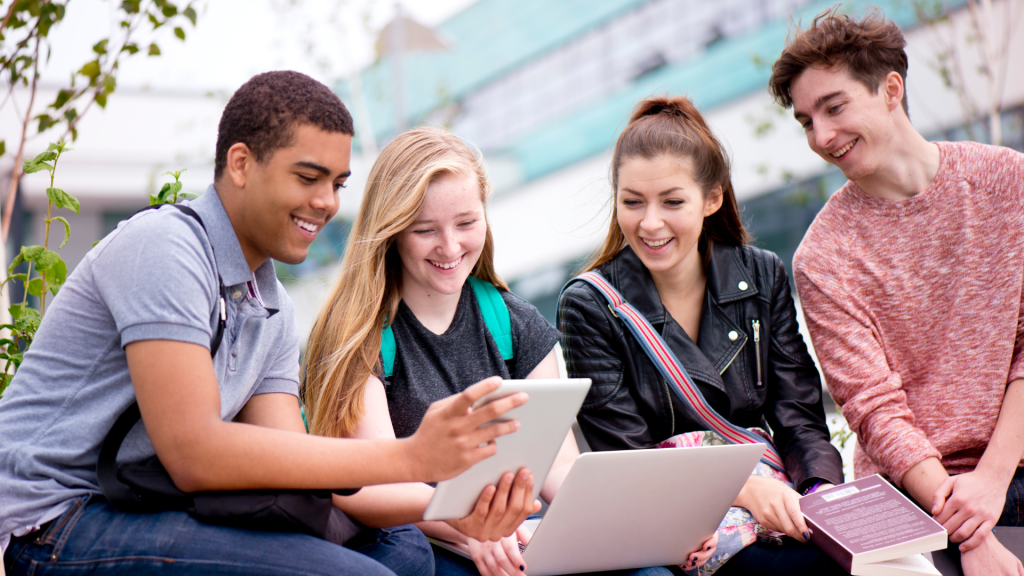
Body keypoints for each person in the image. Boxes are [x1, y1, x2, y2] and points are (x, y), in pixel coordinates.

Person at [0, 71, 533, 576]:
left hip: (148, 503)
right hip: (54, 517)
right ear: (240, 164)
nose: (326, 203)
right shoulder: (166, 248)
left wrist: (456, 505)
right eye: (308, 177)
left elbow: (286, 463)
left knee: (404, 551)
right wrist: (411, 456)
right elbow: (193, 453)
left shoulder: (270, 302)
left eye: (338, 183)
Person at [301, 125, 717, 576]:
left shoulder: (514, 323)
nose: (450, 246)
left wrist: (649, 525)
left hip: (513, 535)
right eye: (425, 230)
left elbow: (558, 466)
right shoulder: (358, 335)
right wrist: (470, 525)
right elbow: (367, 487)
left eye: (466, 223)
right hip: (422, 543)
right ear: (392, 231)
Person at [767, 7, 1024, 576]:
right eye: (807, 121)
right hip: (912, 495)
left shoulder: (1008, 182)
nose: (822, 136)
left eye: (834, 107)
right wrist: (970, 531)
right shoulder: (822, 258)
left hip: (1012, 464)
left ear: (890, 89)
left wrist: (992, 480)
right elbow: (875, 411)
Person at [557, 95, 846, 576]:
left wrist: (819, 494)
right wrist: (747, 491)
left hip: (777, 500)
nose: (650, 223)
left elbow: (797, 417)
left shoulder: (761, 274)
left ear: (712, 198)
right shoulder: (591, 304)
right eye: (632, 202)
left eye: (672, 202)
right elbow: (628, 459)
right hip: (678, 523)